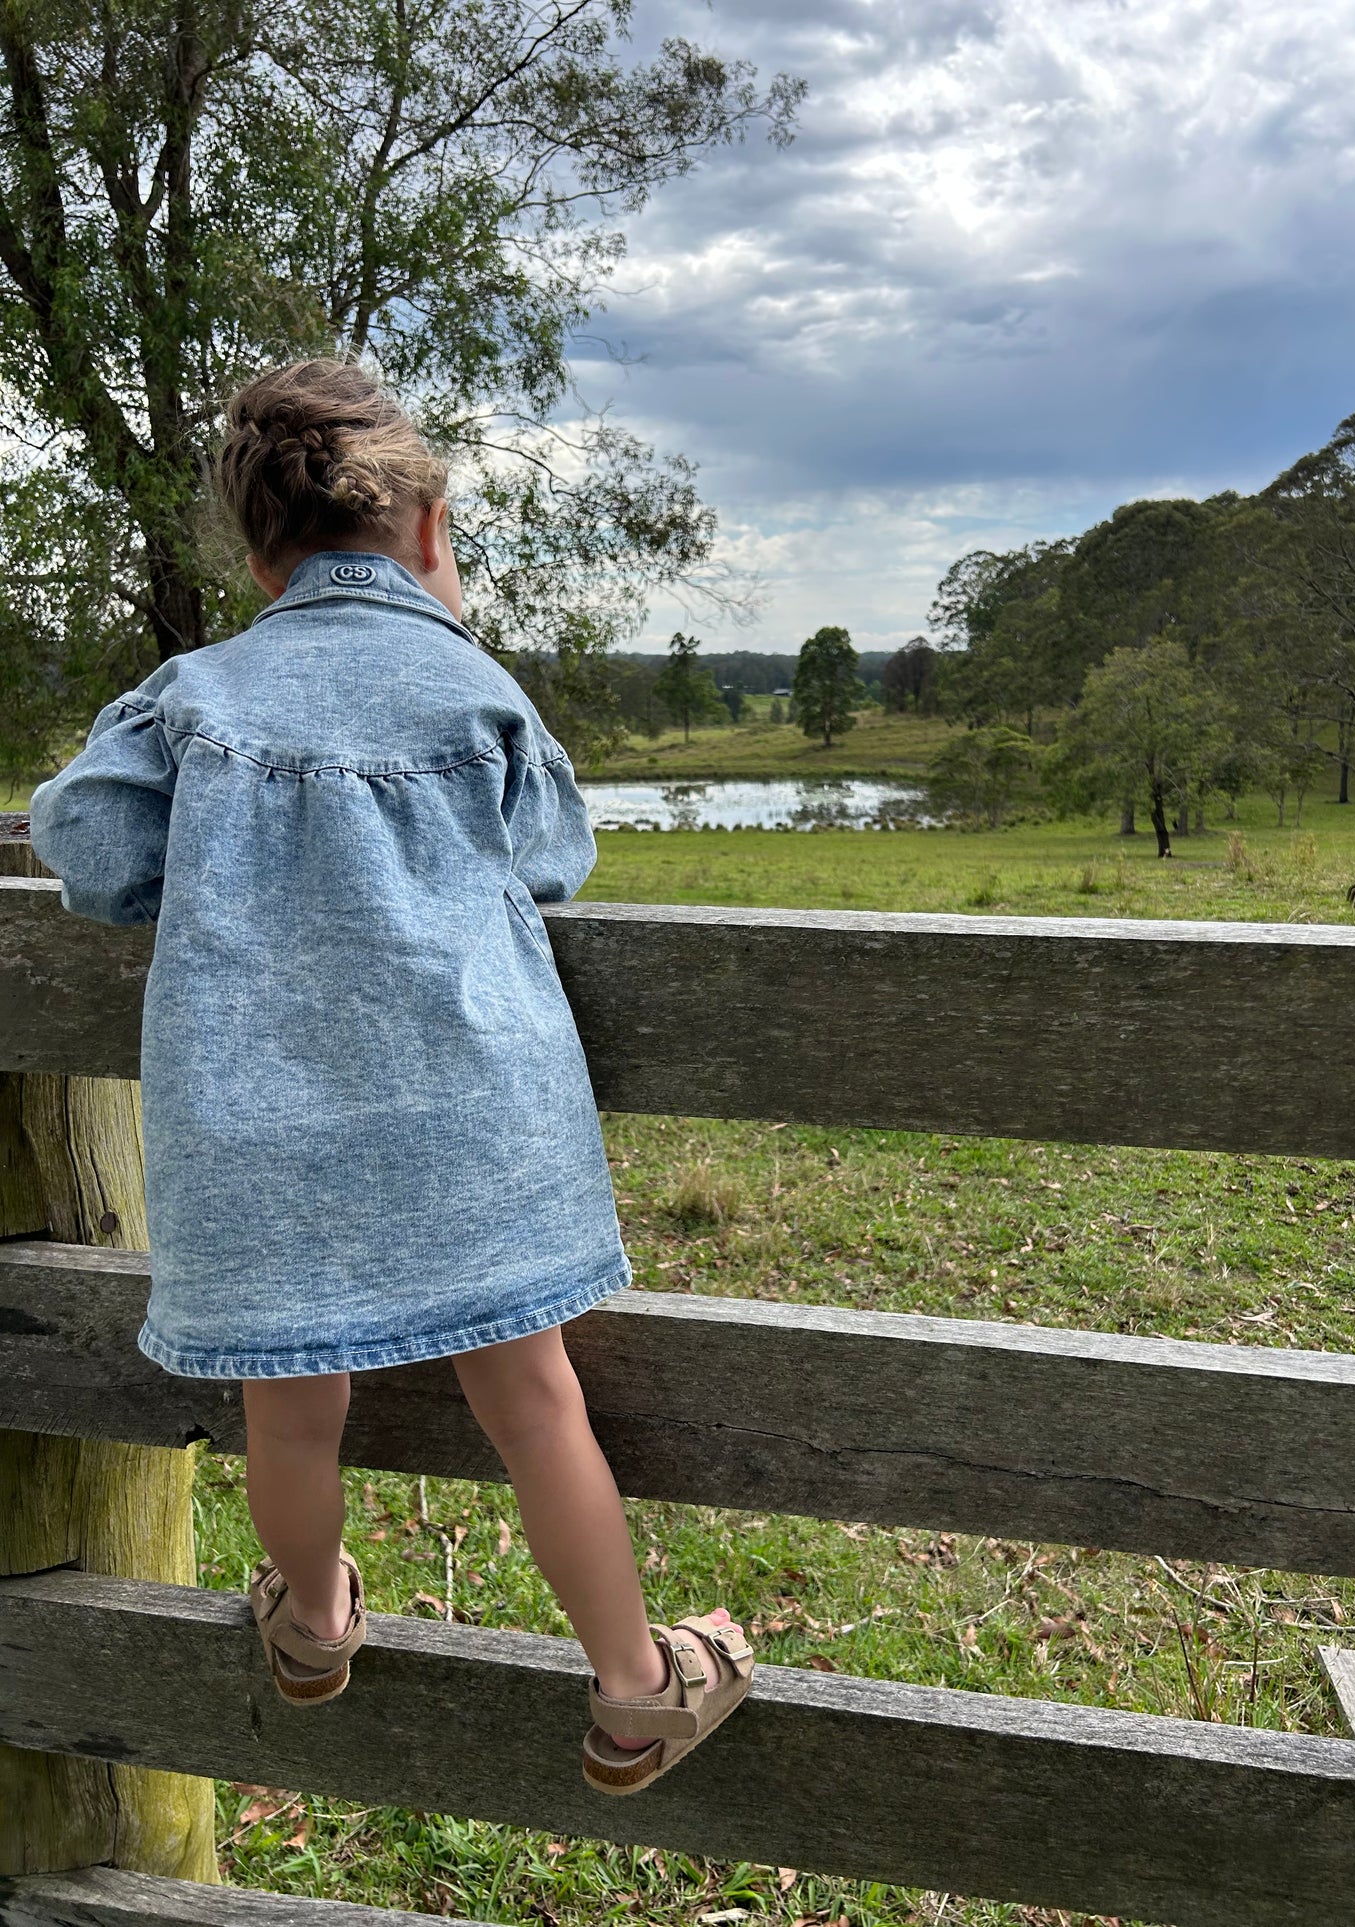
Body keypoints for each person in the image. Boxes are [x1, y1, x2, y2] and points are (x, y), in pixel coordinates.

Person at [27, 356, 752, 1795]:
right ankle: (633, 1692)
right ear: (429, 535)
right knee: (537, 1402)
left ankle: (311, 1623)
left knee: (289, 1408)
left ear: (256, 555)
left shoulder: (190, 695)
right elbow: (551, 861)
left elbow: (96, 859)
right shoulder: (476, 691)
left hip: (256, 1134)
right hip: (473, 1123)